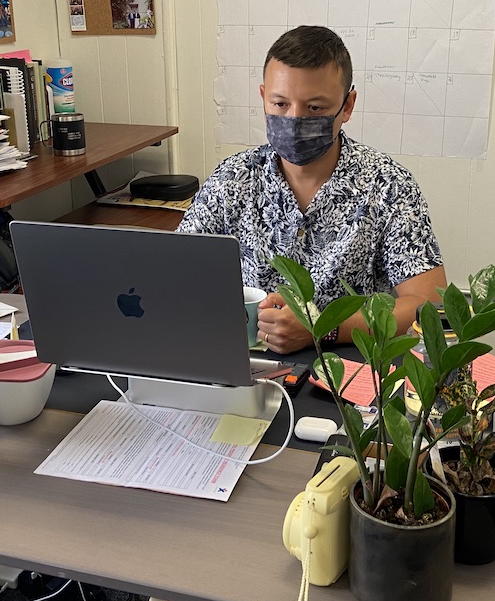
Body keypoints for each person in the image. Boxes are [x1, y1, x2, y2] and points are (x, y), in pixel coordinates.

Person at [178, 25, 447, 354]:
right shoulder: (232, 179)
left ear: (347, 106)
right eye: (280, 104)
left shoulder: (388, 185)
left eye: (315, 108)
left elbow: (430, 307)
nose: (294, 119)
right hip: (249, 366)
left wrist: (323, 328)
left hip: (351, 375)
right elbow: (177, 274)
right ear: (263, 97)